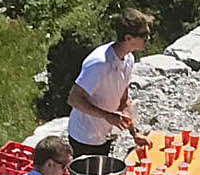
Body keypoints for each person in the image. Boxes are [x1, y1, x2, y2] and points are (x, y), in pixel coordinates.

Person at [66, 9, 153, 158]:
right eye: (144, 35)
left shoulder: (129, 59)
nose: (148, 38)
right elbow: (74, 99)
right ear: (128, 38)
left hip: (103, 135)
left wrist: (134, 133)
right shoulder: (99, 63)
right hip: (84, 137)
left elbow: (123, 99)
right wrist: (107, 115)